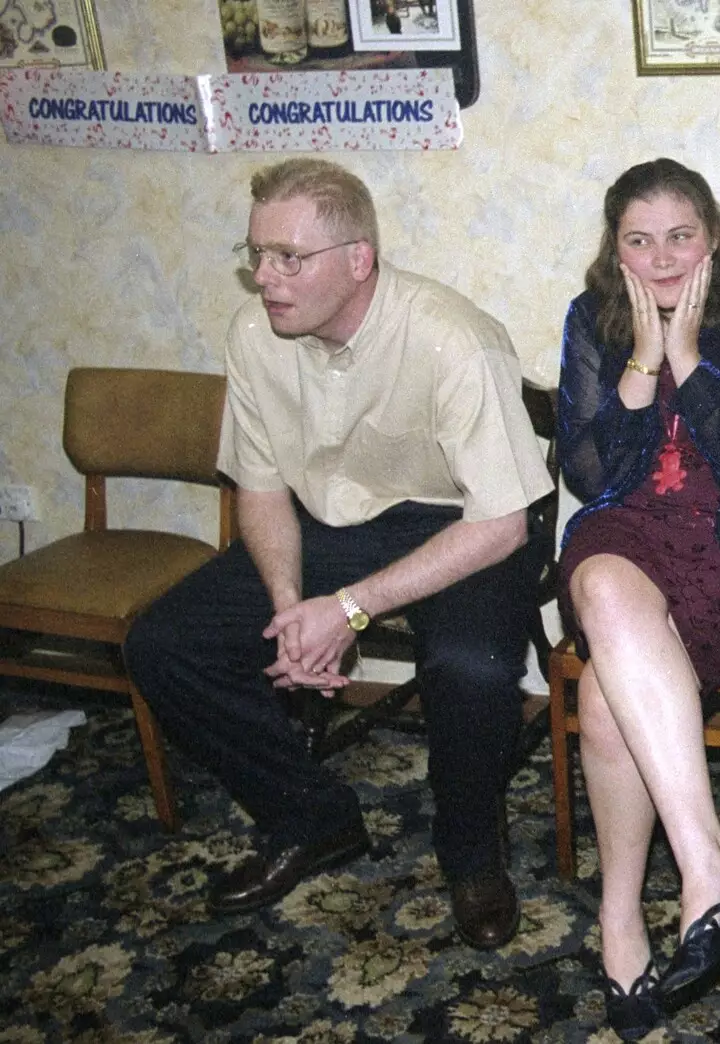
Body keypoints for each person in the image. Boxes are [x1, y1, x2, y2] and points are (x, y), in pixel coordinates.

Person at [125, 158, 552, 951]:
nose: (265, 278)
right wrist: (294, 609)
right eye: (256, 254)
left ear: (359, 260)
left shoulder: (454, 338)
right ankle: (310, 816)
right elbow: (259, 488)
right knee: (164, 644)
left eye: (290, 258)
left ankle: (471, 854)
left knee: (473, 670)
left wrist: (351, 610)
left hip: (460, 526)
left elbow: (502, 525)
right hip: (327, 526)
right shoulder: (255, 336)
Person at [556, 158, 720, 1039]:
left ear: (711, 234)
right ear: (613, 246)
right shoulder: (593, 318)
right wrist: (639, 361)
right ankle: (707, 867)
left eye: (680, 235)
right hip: (623, 533)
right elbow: (586, 474)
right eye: (639, 239)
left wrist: (690, 360)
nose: (661, 258)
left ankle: (620, 916)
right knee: (597, 575)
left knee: (602, 699)